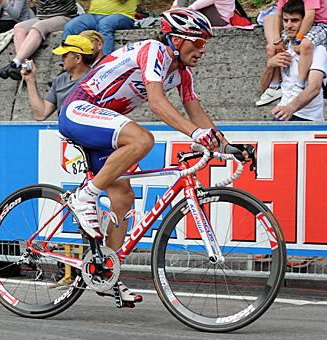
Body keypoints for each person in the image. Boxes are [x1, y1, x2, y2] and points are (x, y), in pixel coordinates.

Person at [58, 8, 253, 306]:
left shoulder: (183, 74)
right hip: (80, 110)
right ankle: (85, 196)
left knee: (123, 197)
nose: (203, 49)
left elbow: (196, 114)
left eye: (205, 44)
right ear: (176, 39)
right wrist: (195, 134)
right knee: (142, 139)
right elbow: (158, 104)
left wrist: (227, 146)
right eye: (197, 42)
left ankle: (105, 274)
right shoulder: (155, 51)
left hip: (104, 121)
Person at [260, 0, 327, 121]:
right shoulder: (284, 46)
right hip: (282, 113)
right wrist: (270, 66)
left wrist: (290, 108)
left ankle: (299, 85)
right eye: (286, 20)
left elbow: (314, 89)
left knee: (305, 45)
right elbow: (262, 89)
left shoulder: (318, 50)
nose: (289, 25)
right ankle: (277, 87)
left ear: (304, 22)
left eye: (295, 20)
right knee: (270, 41)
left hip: (307, 118)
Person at [0, 0, 78, 81]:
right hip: (42, 18)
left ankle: (15, 63)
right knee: (19, 28)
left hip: (64, 17)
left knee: (38, 27)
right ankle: (24, 67)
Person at [22, 35, 96, 121]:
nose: (62, 58)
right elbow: (41, 114)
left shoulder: (95, 80)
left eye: (65, 55)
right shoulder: (60, 80)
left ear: (78, 58)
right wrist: (30, 80)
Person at [61, 0, 137, 55]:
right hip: (94, 15)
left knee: (105, 24)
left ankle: (104, 63)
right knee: (71, 26)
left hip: (123, 16)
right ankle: (67, 61)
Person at [171, 0, 235, 27]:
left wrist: (183, 10)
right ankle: (177, 15)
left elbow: (196, 5)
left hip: (221, 20)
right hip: (219, 17)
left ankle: (177, 17)